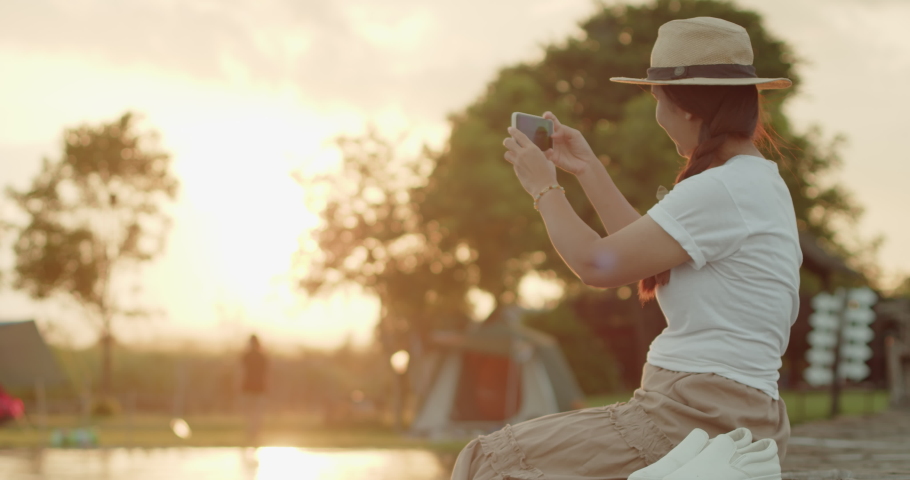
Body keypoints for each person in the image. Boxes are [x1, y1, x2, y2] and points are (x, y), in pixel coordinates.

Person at [452, 17, 798, 480]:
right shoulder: (756, 182)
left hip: (694, 415)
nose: (658, 116)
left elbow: (597, 263)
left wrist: (543, 188)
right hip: (732, 410)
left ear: (688, 107)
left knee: (487, 462)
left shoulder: (721, 188)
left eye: (658, 100)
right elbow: (638, 255)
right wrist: (587, 168)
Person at [240, 334, 268, 446]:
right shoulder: (260, 356)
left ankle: (253, 432)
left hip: (253, 387)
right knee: (255, 412)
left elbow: (241, 372)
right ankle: (253, 432)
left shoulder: (248, 356)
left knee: (252, 412)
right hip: (255, 387)